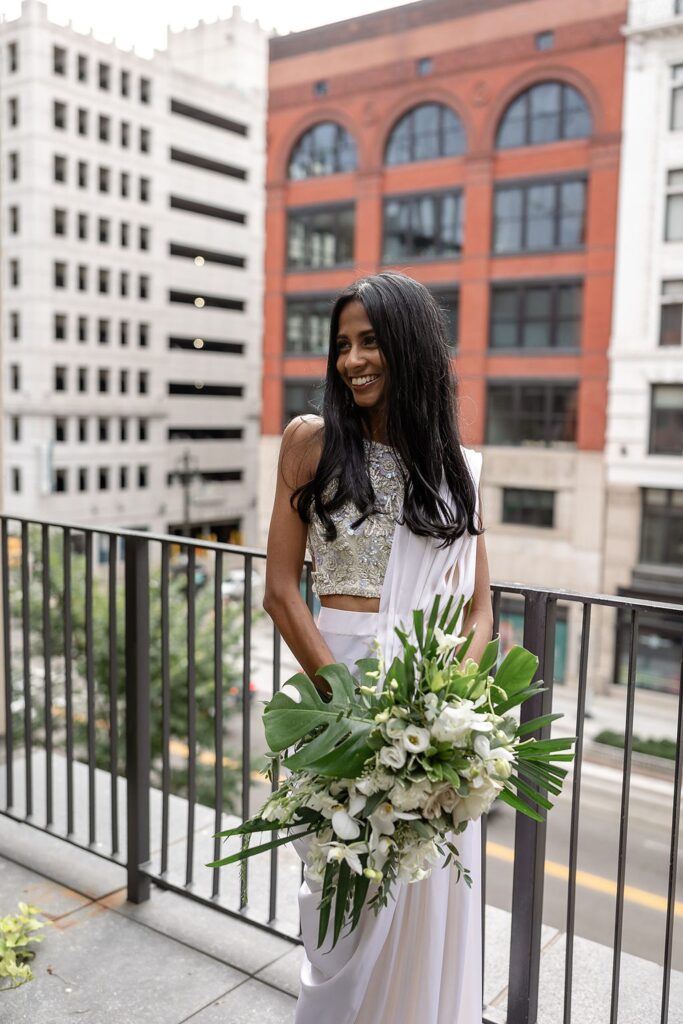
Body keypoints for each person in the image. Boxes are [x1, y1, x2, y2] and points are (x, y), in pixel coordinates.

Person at [263, 271, 493, 1024]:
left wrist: (445, 708)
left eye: (368, 342)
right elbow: (281, 592)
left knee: (426, 895)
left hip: (429, 708)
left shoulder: (458, 468)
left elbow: (479, 609)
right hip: (338, 695)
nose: (351, 360)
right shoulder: (311, 441)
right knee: (338, 904)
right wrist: (353, 709)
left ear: (408, 347)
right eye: (341, 345)